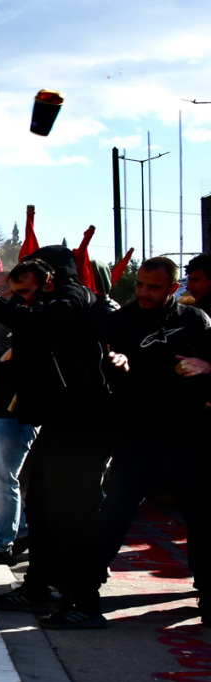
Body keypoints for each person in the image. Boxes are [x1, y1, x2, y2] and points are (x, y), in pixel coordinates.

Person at [0, 248, 113, 629]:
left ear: (51, 275)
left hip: (84, 424)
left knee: (73, 514)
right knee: (40, 505)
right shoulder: (44, 307)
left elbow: (47, 324)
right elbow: (34, 358)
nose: (21, 300)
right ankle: (38, 586)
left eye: (26, 290)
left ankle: (84, 602)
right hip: (60, 423)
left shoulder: (71, 299)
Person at [91, 256, 211, 626]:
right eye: (140, 284)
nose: (143, 292)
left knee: (202, 518)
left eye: (153, 287)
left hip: (189, 436)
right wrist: (115, 362)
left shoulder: (196, 321)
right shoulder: (119, 321)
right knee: (114, 512)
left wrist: (207, 367)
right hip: (136, 436)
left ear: (173, 287)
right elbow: (95, 366)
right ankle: (84, 587)